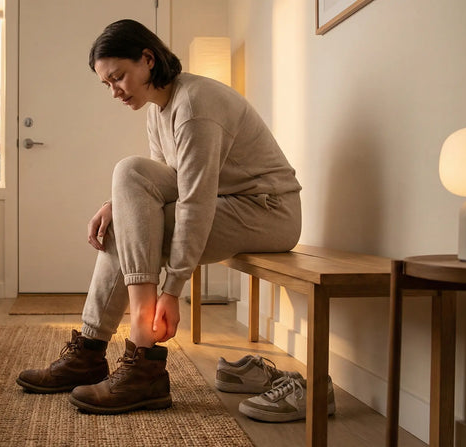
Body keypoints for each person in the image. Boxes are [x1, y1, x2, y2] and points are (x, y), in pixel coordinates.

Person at [16, 19, 302, 415]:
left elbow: (195, 203)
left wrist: (172, 290)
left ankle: (140, 355)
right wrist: (115, 204)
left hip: (268, 211)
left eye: (118, 78)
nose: (114, 91)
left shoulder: (194, 107)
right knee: (129, 182)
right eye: (107, 84)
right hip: (228, 202)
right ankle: (94, 352)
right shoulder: (159, 108)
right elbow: (159, 180)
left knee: (134, 219)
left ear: (148, 59)